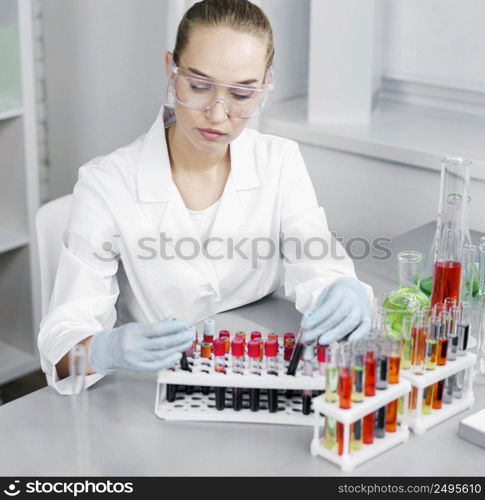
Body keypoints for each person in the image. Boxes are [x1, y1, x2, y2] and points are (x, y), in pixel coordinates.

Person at [38, 0, 373, 395]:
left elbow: (320, 267)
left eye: (242, 94)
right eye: (198, 85)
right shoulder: (105, 185)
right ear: (170, 70)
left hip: (256, 370)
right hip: (152, 389)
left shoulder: (279, 161)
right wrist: (102, 350)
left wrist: (344, 293)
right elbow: (61, 349)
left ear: (264, 85)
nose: (217, 114)